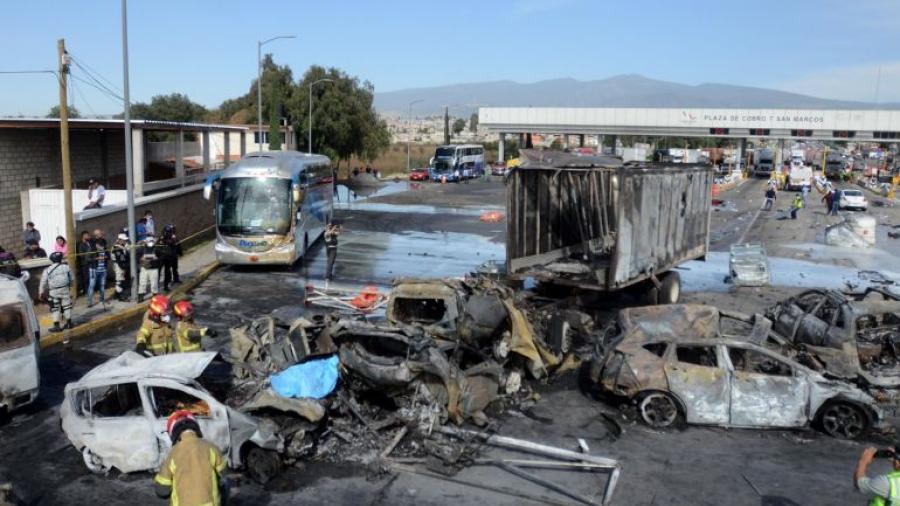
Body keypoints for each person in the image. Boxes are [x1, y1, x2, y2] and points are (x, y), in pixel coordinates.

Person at [154, 410, 228, 506]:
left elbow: (162, 491)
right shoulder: (211, 448)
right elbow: (223, 474)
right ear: (196, 429)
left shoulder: (172, 454)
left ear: (174, 433)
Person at [39, 252, 73, 332]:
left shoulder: (47, 270)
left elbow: (43, 282)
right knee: (67, 306)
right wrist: (70, 286)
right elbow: (72, 278)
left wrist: (41, 292)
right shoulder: (66, 267)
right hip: (65, 289)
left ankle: (57, 326)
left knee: (55, 308)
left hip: (54, 292)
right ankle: (69, 323)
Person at [86, 237, 109, 307]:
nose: (101, 247)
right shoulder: (91, 250)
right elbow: (86, 259)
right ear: (96, 245)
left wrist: (106, 257)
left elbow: (109, 257)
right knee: (91, 286)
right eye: (100, 245)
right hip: (94, 270)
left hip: (103, 270)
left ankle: (102, 299)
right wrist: (96, 258)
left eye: (103, 245)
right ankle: (89, 302)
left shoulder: (105, 249)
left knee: (102, 285)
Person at [137, 237, 161, 302]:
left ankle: (155, 296)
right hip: (144, 268)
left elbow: (162, 257)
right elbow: (137, 256)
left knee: (154, 283)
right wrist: (140, 259)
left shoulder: (157, 249)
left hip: (154, 269)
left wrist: (157, 259)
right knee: (142, 283)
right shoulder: (141, 249)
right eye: (149, 242)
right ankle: (140, 297)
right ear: (146, 242)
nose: (150, 243)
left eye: (152, 242)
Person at [159, 225, 182, 291]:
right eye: (168, 231)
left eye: (170, 231)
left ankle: (169, 284)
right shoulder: (161, 238)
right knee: (160, 272)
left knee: (171, 270)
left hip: (171, 256)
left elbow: (178, 245)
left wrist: (180, 253)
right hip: (162, 257)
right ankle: (157, 287)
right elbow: (158, 247)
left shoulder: (174, 238)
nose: (169, 233)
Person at [112, 233, 130, 302]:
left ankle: (116, 295)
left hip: (120, 265)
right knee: (119, 281)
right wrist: (123, 268)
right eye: (123, 240)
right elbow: (120, 260)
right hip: (119, 266)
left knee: (120, 281)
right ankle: (122, 297)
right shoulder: (117, 248)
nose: (125, 241)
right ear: (119, 240)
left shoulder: (121, 246)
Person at [324, 221, 341, 289]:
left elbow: (338, 233)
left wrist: (338, 228)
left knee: (331, 262)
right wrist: (332, 228)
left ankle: (329, 275)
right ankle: (327, 277)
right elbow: (329, 233)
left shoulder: (333, 233)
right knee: (330, 263)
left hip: (333, 249)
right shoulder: (326, 233)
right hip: (331, 249)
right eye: (329, 227)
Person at [76, 231, 93, 295]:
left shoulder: (89, 243)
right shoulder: (80, 244)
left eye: (88, 235)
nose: (88, 236)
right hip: (84, 264)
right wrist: (89, 255)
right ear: (83, 236)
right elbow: (81, 255)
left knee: (90, 277)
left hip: (90, 263)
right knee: (86, 278)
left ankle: (90, 290)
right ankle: (86, 291)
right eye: (87, 235)